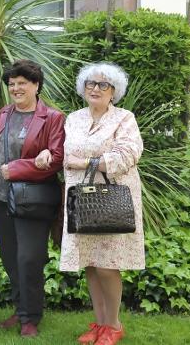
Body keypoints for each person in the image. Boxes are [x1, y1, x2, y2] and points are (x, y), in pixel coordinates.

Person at [60, 62, 145, 345]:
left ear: (114, 92)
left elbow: (128, 154)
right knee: (91, 264)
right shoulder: (73, 118)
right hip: (81, 201)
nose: (95, 89)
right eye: (90, 84)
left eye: (103, 85)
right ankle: (99, 324)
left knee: (109, 264)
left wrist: (86, 162)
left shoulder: (124, 118)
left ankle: (114, 324)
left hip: (111, 199)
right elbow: (64, 153)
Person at [0, 59, 65, 338]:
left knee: (29, 258)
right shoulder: (5, 113)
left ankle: (31, 318)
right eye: (12, 84)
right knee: (10, 258)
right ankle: (21, 310)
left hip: (32, 199)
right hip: (1, 196)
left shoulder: (52, 117)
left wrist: (17, 168)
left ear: (36, 85)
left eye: (22, 83)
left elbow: (55, 159)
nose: (16, 88)